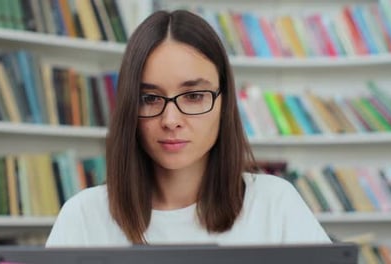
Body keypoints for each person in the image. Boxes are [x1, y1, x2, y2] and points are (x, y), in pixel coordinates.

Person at [46, 9, 330, 247]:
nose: (171, 120)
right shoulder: (83, 216)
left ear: (224, 102)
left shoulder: (275, 204)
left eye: (194, 96)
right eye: (150, 98)